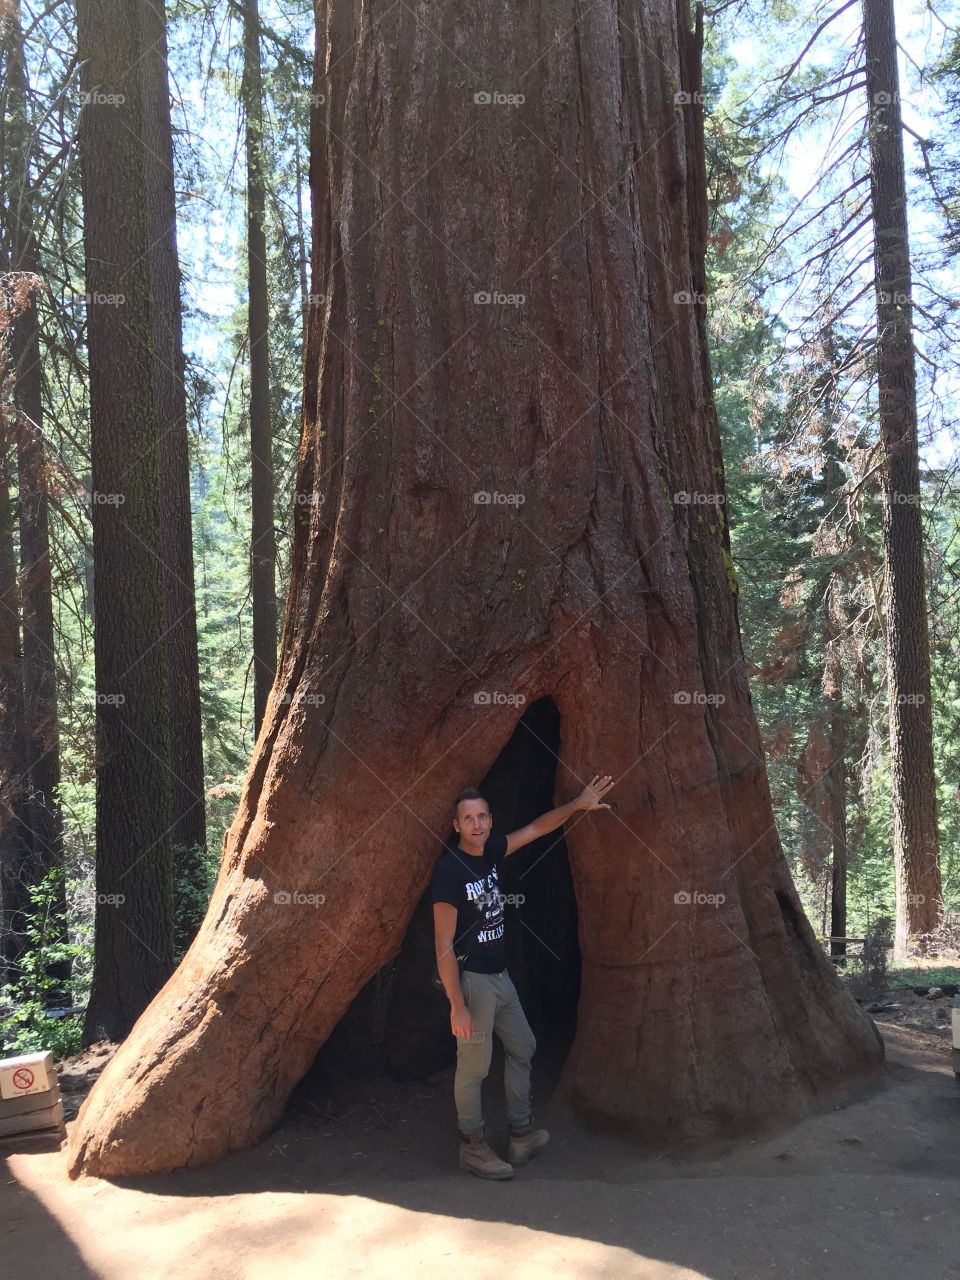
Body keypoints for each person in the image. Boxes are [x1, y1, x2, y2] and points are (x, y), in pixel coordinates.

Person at [431, 774, 615, 1179]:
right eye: (468, 819)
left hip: (500, 976)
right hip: (473, 982)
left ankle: (521, 1134)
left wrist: (578, 804)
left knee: (523, 1045)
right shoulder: (451, 872)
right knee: (474, 1068)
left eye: (482, 817)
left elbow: (535, 829)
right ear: (456, 826)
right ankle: (472, 1146)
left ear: (490, 821)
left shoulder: (491, 851)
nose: (477, 824)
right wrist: (456, 1006)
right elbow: (443, 944)